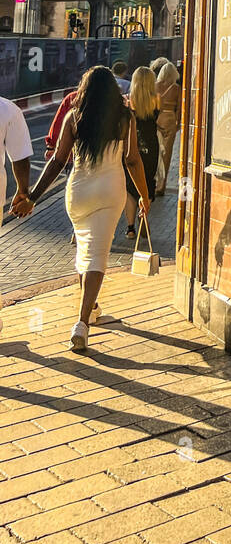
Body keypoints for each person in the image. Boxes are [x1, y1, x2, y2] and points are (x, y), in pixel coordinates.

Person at [19, 66, 151, 352]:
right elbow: (132, 160)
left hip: (77, 192)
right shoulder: (125, 118)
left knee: (84, 252)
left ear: (86, 90)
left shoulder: (73, 117)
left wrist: (33, 196)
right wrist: (144, 194)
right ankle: (81, 323)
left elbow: (56, 161)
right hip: (109, 191)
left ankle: (90, 309)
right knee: (97, 256)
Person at [124, 66, 159, 237]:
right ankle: (144, 218)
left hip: (133, 143)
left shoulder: (128, 100)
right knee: (147, 181)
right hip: (151, 145)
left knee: (130, 186)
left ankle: (130, 228)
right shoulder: (156, 99)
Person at [150, 58, 180, 194]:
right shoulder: (176, 88)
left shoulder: (154, 86)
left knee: (155, 152)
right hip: (169, 119)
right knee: (166, 154)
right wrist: (178, 123)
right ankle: (162, 185)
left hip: (157, 119)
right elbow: (179, 108)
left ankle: (152, 182)